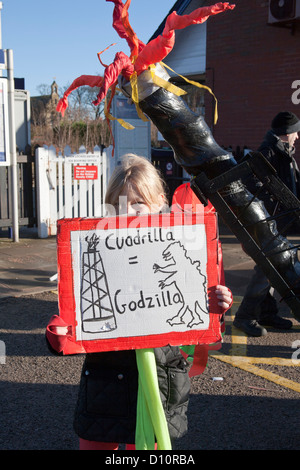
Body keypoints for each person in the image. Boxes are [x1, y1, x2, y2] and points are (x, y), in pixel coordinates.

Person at [46, 154, 232, 450]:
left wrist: (217, 304)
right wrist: (58, 332)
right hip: (106, 382)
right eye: (118, 203)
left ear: (159, 201)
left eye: (137, 203)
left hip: (158, 383)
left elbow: (195, 312)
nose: (127, 211)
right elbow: (69, 326)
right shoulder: (97, 250)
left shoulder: (180, 248)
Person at [233, 112, 300, 337]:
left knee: (270, 269)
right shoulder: (268, 153)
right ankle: (245, 317)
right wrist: (276, 207)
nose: (298, 137)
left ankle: (267, 313)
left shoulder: (283, 153)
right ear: (287, 133)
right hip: (266, 223)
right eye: (296, 132)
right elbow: (252, 186)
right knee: (266, 269)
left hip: (276, 222)